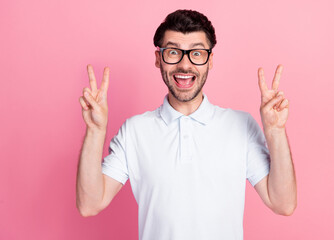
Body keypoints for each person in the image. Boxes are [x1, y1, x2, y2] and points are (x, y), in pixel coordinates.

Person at [76, 9, 297, 240]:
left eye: (197, 53)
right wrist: (95, 130)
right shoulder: (134, 131)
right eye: (173, 52)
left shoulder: (241, 125)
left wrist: (276, 132)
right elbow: (89, 204)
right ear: (158, 58)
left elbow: (283, 203)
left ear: (209, 60)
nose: (184, 65)